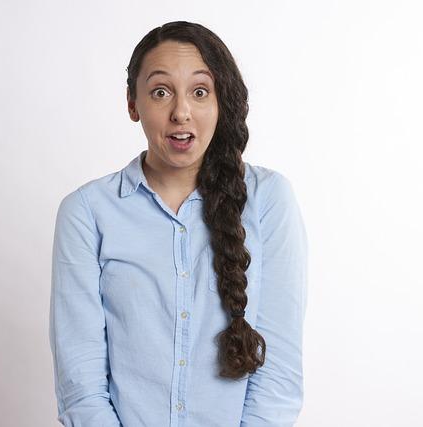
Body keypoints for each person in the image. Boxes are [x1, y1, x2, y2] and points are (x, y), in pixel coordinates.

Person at [49, 20, 308, 427]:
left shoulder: (268, 200)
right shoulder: (86, 213)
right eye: (160, 92)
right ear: (133, 104)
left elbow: (278, 372)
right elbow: (80, 382)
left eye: (200, 92)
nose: (181, 112)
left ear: (221, 102)